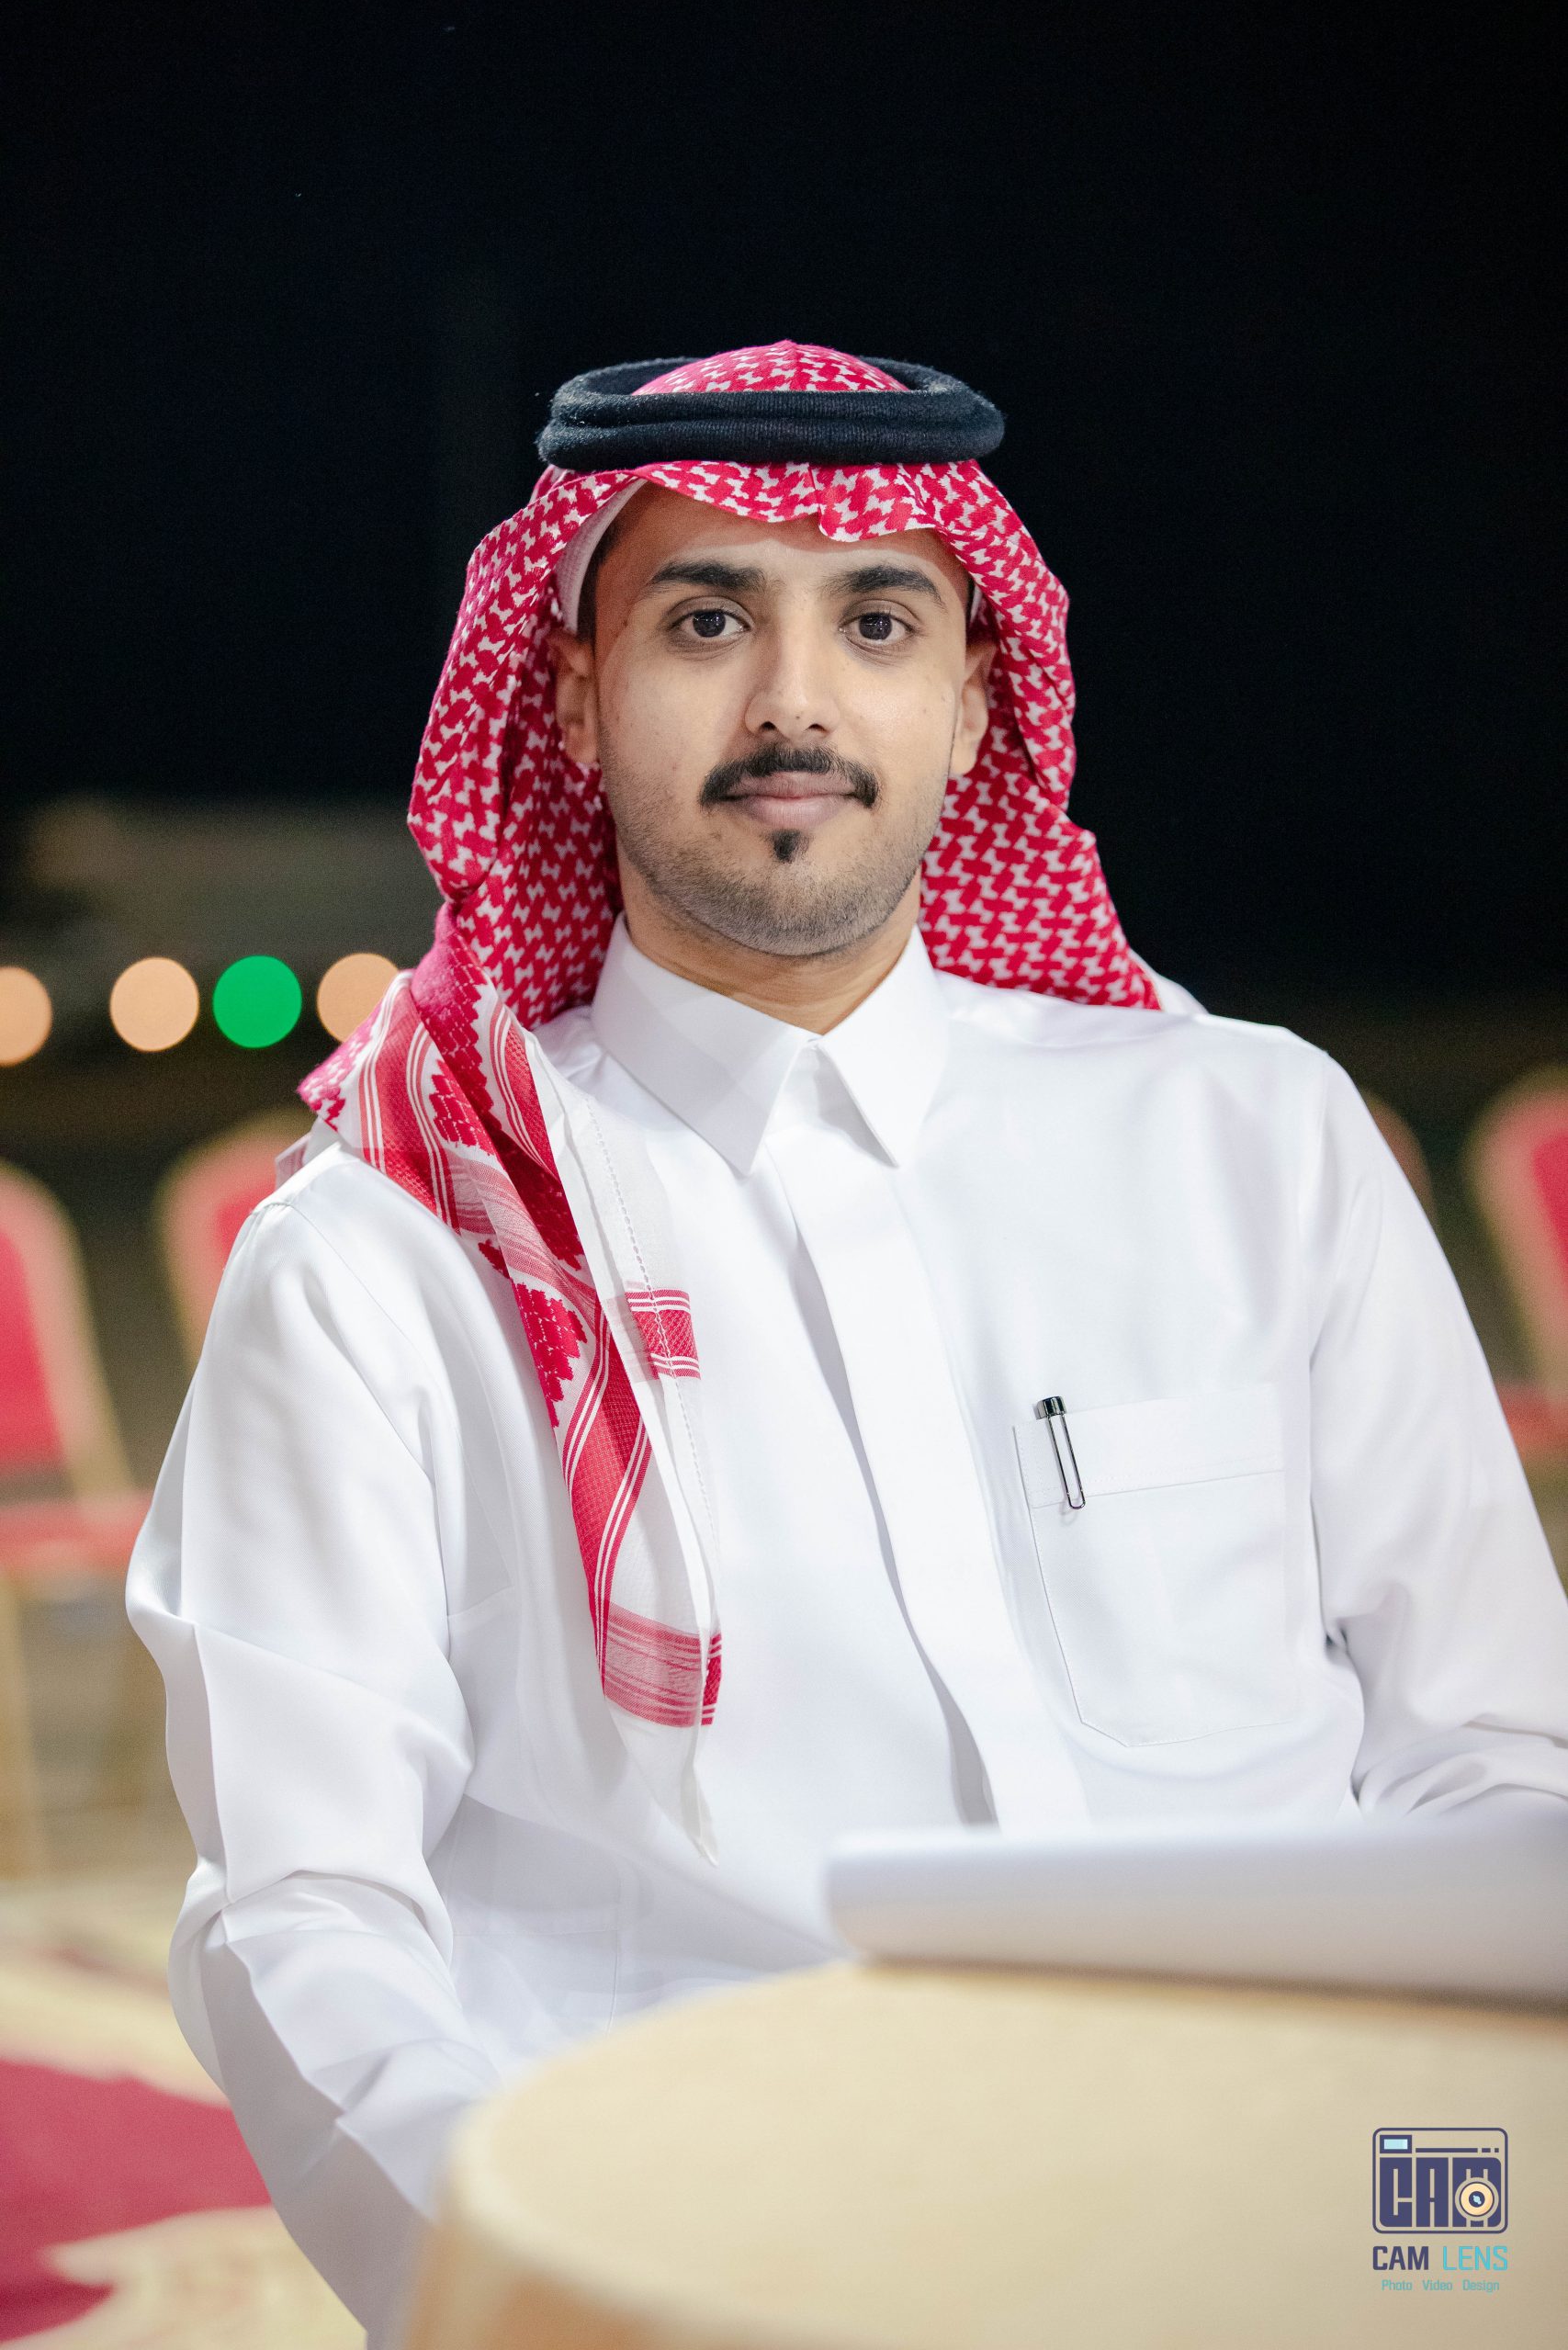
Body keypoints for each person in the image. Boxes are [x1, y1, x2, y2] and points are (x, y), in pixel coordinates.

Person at [127, 343, 1568, 2342]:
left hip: (1300, 2211)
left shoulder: (1250, 1139)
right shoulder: (390, 1254)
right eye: (706, 619)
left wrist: (1446, 2251)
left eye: (876, 621)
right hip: (729, 2244)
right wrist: (573, 2290)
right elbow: (305, 1916)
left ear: (974, 698)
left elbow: (1491, 1762)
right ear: (573, 695)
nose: (792, 702)